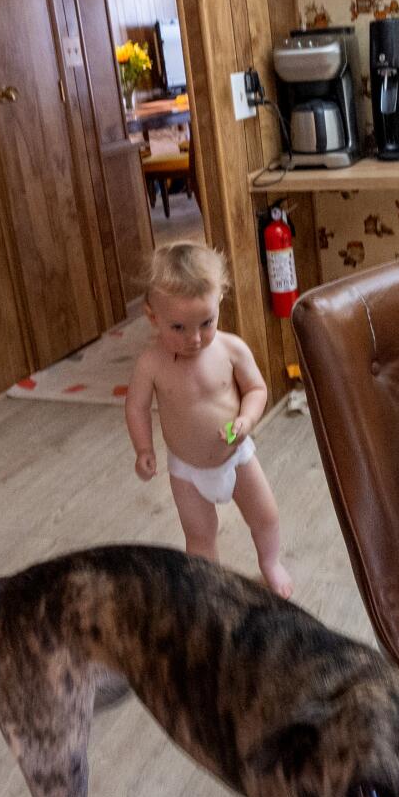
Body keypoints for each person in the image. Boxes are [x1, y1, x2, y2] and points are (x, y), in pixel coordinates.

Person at [126, 242, 293, 597]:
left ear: (220, 301)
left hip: (236, 455)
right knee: (200, 537)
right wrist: (143, 448)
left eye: (206, 322)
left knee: (266, 517)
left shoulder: (231, 349)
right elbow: (137, 407)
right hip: (188, 471)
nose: (195, 338)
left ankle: (270, 563)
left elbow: (256, 389)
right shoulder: (151, 364)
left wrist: (246, 420)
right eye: (179, 328)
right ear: (152, 316)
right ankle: (211, 589)